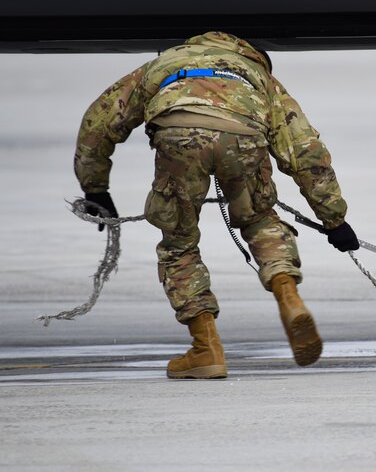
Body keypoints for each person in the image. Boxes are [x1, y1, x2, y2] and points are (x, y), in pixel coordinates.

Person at [74, 31, 359, 379]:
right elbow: (303, 150)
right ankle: (288, 297)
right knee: (258, 218)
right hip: (243, 132)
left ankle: (206, 349)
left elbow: (98, 123)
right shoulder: (258, 76)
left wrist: (96, 189)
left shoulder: (161, 65)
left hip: (178, 131)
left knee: (179, 243)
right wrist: (333, 219)